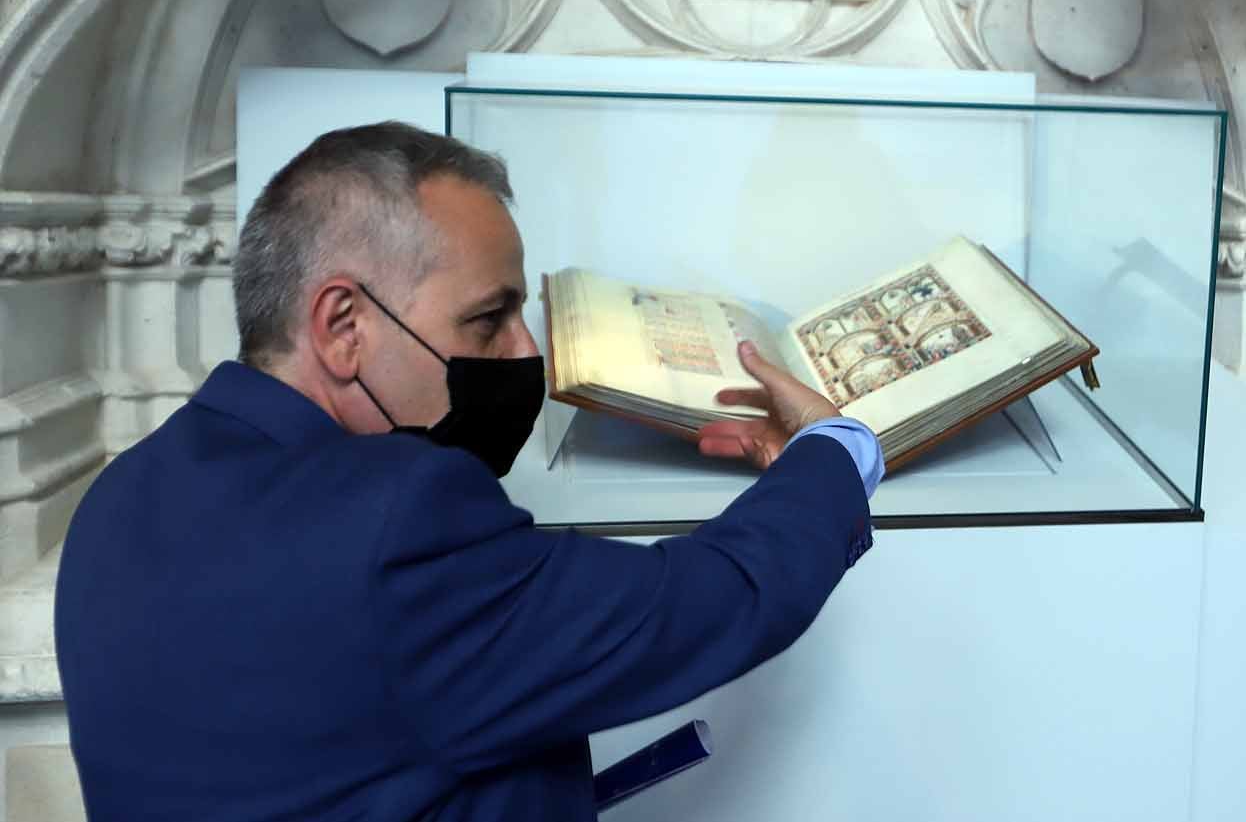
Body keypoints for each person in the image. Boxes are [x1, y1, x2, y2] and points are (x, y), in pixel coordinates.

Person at [54, 122, 882, 820]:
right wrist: (833, 449)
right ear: (343, 324)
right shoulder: (397, 521)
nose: (527, 352)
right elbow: (709, 601)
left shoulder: (119, 496)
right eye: (491, 317)